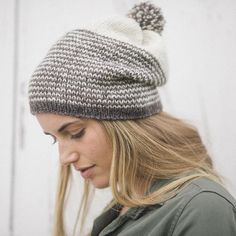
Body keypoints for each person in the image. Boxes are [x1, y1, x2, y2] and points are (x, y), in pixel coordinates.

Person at [28, 1, 236, 236]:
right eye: (55, 138)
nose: (65, 157)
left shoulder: (201, 210)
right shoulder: (123, 209)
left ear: (125, 121)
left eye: (76, 133)